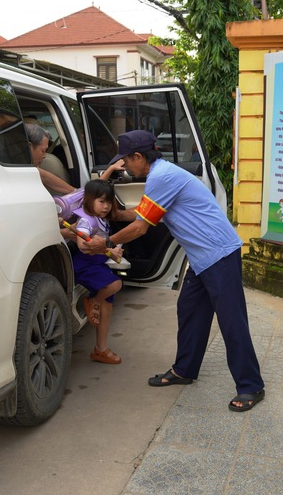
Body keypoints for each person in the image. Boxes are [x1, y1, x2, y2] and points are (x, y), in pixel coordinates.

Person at [82, 129, 265, 412]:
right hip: (202, 258)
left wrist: (105, 243)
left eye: (126, 161)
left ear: (139, 157)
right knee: (190, 310)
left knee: (232, 321)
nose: (125, 166)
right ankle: (184, 370)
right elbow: (147, 212)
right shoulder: (161, 174)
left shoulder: (161, 177)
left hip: (219, 255)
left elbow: (141, 227)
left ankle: (251, 385)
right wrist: (117, 214)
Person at [72, 179, 125, 364]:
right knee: (115, 284)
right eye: (101, 201)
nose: (106, 206)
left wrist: (113, 250)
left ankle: (100, 349)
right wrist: (109, 250)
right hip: (86, 265)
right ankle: (93, 300)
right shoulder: (86, 220)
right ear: (89, 200)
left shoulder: (101, 219)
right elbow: (83, 245)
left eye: (109, 202)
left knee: (107, 305)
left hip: (98, 265)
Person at [26, 122, 76, 195]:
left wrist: (76, 192)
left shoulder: (25, 166)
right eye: (43, 151)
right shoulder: (17, 167)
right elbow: (44, 176)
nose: (44, 156)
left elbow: (45, 177)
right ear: (29, 147)